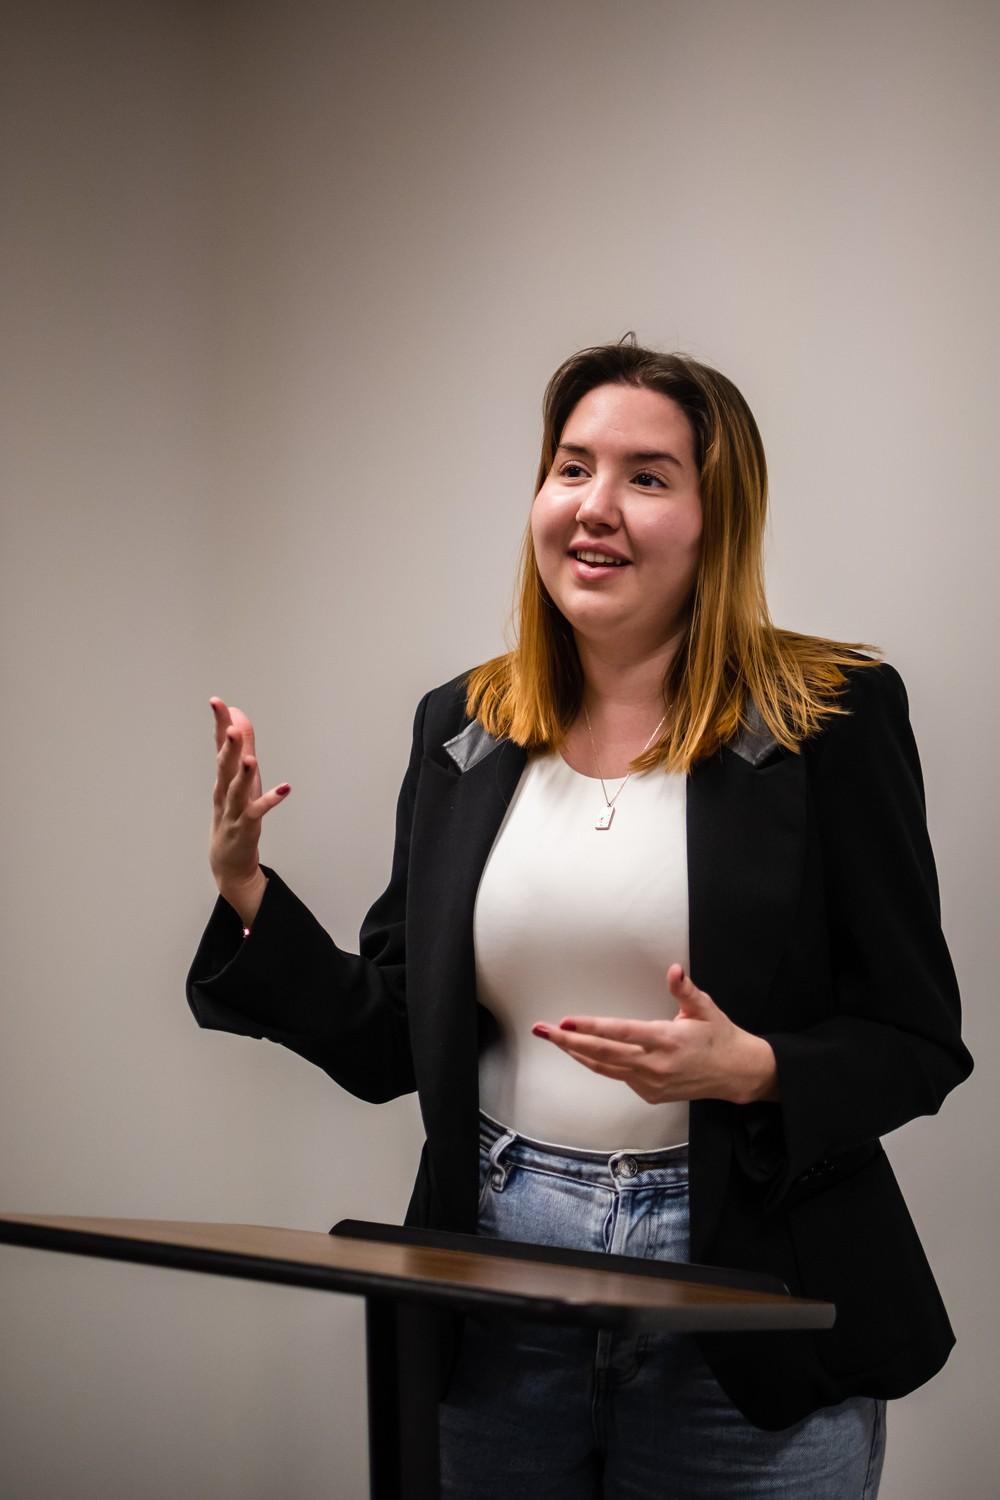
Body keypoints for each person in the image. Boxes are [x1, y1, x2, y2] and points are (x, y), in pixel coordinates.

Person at [187, 339, 972, 1499]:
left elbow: (917, 1040)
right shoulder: (462, 726)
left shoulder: (831, 720)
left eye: (647, 477)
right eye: (571, 467)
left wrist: (753, 1067)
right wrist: (248, 887)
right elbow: (396, 1039)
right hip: (492, 1277)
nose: (595, 508)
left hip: (738, 1288)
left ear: (717, 517)